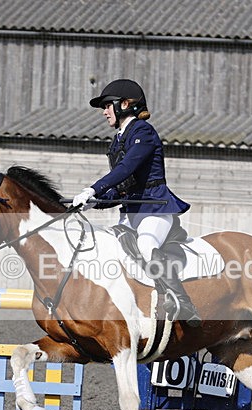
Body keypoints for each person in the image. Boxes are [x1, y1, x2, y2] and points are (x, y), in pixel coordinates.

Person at [72, 79, 201, 327]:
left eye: (108, 105)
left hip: (154, 209)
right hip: (130, 212)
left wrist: (92, 188)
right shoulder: (118, 140)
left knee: (145, 244)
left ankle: (183, 302)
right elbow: (122, 187)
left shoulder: (143, 132)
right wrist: (95, 202)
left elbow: (126, 168)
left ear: (125, 104)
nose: (104, 111)